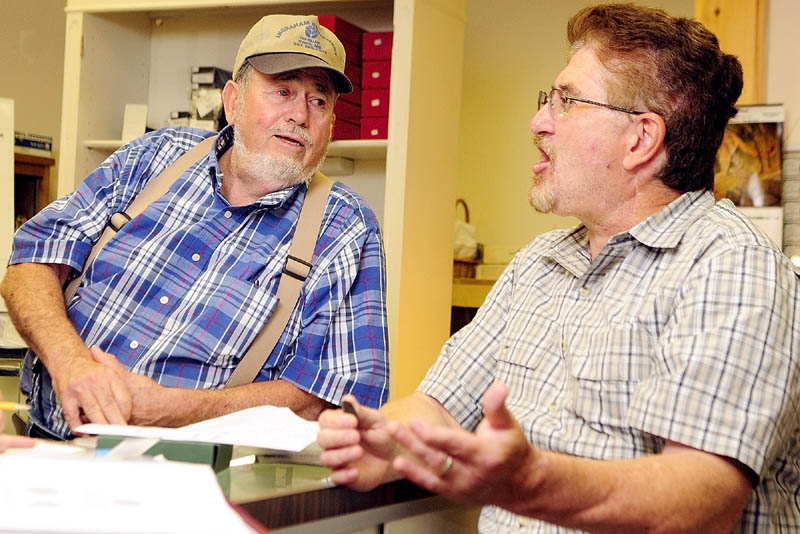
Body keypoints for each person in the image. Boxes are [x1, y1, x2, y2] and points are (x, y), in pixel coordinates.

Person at [317, 4, 800, 533]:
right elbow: (440, 406)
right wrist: (383, 439)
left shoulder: (732, 265)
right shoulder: (539, 264)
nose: (539, 121)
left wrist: (532, 481)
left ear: (641, 139)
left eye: (566, 101)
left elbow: (701, 500)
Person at [0, 14, 389, 440]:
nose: (299, 114)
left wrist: (176, 412)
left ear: (332, 124)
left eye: (319, 101)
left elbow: (335, 394)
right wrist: (69, 362)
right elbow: (34, 260)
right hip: (46, 444)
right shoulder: (156, 156)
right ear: (233, 100)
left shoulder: (345, 227)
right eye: (282, 90)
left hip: (198, 473)